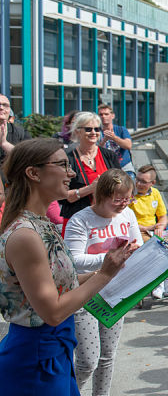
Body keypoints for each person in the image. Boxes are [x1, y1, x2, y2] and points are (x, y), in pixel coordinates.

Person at [0, 138, 133, 395]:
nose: (72, 173)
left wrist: (106, 270)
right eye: (63, 164)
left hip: (53, 351)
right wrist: (104, 275)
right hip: (35, 358)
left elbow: (61, 284)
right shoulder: (26, 234)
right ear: (33, 173)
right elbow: (53, 312)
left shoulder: (41, 224)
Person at [64, 169, 144, 396]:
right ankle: (69, 392)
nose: (123, 204)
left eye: (128, 198)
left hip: (116, 292)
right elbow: (73, 261)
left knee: (107, 356)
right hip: (86, 294)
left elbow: (136, 243)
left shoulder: (127, 214)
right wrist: (109, 258)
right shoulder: (80, 220)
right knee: (88, 361)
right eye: (118, 199)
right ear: (101, 195)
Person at [128, 165, 168, 299]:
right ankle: (158, 284)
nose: (138, 183)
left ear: (152, 183)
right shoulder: (131, 195)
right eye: (137, 179)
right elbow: (126, 220)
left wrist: (160, 227)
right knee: (156, 248)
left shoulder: (155, 193)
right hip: (138, 230)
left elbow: (163, 216)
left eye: (143, 181)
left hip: (154, 229)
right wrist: (146, 228)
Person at [60, 112, 121, 233]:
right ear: (78, 131)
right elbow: (61, 196)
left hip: (106, 220)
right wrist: (90, 188)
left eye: (97, 129)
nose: (94, 132)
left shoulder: (109, 156)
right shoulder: (67, 157)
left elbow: (121, 185)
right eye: (88, 129)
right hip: (77, 220)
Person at [97, 104, 134, 178]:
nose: (103, 116)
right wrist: (104, 140)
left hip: (125, 168)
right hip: (107, 169)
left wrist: (114, 138)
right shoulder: (96, 132)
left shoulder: (121, 130)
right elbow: (95, 151)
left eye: (106, 114)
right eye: (101, 114)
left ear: (112, 116)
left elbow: (128, 145)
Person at [0, 93, 32, 168]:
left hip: (11, 178)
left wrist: (4, 144)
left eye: (5, 105)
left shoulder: (22, 133)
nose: (1, 108)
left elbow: (30, 159)